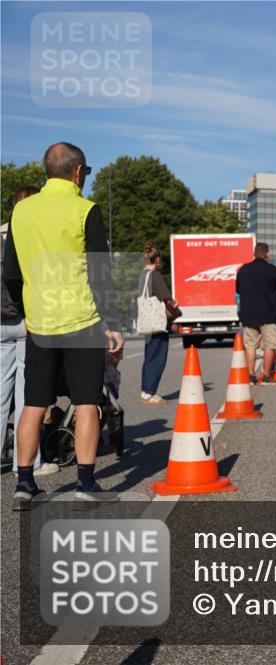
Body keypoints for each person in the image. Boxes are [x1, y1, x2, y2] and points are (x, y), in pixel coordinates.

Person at [3, 142, 125, 510]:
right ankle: (85, 483)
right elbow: (100, 272)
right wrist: (113, 322)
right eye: (85, 174)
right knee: (87, 403)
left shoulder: (22, 211)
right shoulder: (86, 209)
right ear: (77, 171)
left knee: (34, 403)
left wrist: (28, 310)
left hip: (39, 320)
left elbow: (11, 271)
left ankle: (24, 484)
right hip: (81, 320)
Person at [1, 186, 60, 478]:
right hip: (28, 320)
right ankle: (29, 462)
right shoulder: (35, 234)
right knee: (30, 395)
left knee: (0, 395)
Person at [236, 243, 276, 385]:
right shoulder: (272, 270)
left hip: (249, 314)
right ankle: (266, 377)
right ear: (267, 254)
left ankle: (251, 376)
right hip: (269, 314)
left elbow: (238, 289)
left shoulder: (243, 270)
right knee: (269, 346)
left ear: (254, 253)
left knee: (251, 346)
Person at [137, 242, 180, 404]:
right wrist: (174, 306)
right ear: (157, 259)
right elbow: (165, 297)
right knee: (158, 356)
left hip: (147, 321)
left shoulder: (142, 275)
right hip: (157, 323)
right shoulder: (155, 275)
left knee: (149, 355)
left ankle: (146, 391)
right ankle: (149, 392)